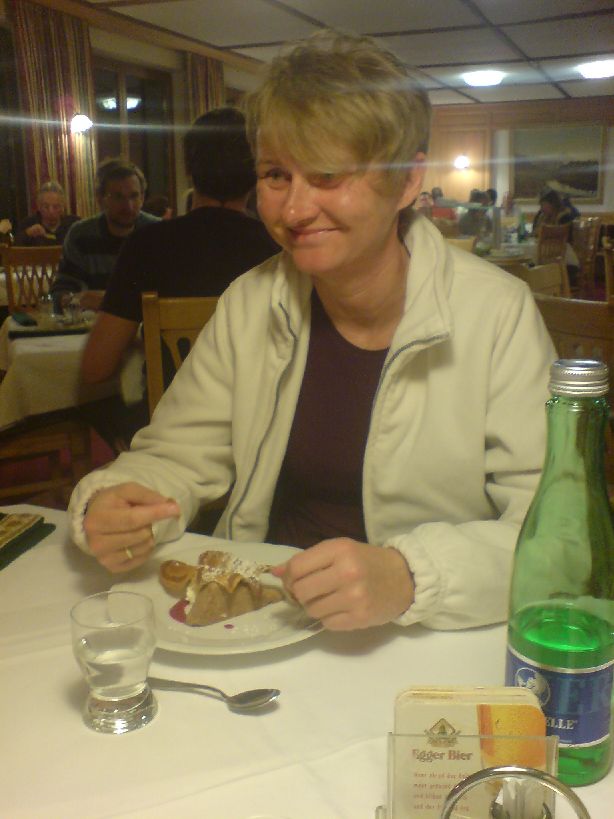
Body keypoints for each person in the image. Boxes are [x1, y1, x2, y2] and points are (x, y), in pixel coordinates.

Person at [68, 31, 554, 633]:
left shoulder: (497, 313)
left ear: (407, 181)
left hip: (424, 633)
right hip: (268, 619)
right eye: (276, 174)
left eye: (327, 174)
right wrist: (120, 498)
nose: (294, 211)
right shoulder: (250, 302)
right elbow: (177, 455)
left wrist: (410, 576)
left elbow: (552, 532)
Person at [79, 107, 279, 436]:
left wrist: (143, 340)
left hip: (171, 429)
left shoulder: (146, 245)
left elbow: (95, 369)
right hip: (261, 428)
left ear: (188, 169)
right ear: (256, 171)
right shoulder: (279, 249)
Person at [50, 159, 158, 312]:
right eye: (118, 197)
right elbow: (60, 293)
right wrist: (76, 299)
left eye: (134, 196)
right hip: (96, 323)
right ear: (100, 199)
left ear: (143, 197)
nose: (128, 206)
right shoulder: (81, 236)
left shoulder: (157, 232)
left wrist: (111, 300)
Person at [13, 181, 79, 246]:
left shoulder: (73, 224)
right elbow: (13, 247)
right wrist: (27, 234)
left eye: (56, 207)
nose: (51, 211)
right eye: (46, 207)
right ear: (39, 207)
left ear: (63, 207)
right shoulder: (28, 224)